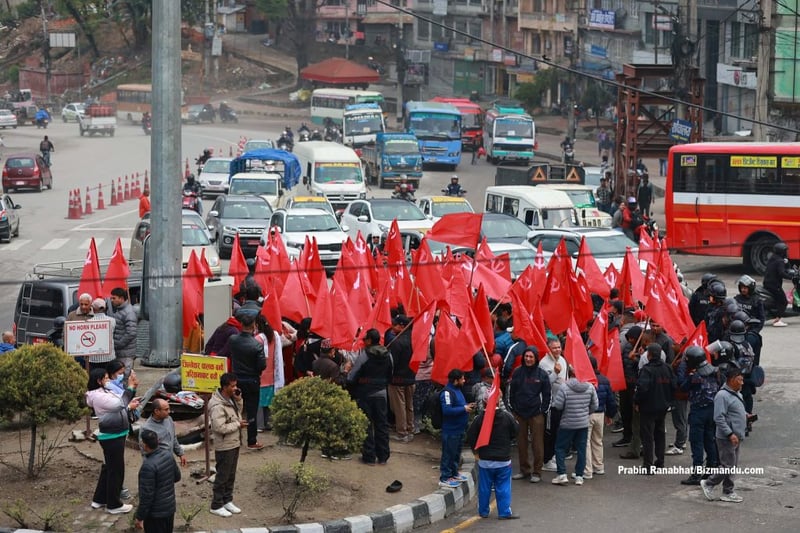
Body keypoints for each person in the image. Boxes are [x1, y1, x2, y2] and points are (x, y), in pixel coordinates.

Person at [85, 367, 140, 514]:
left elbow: (123, 401)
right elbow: (119, 404)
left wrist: (132, 389)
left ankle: (100, 499)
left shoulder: (104, 391)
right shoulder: (98, 396)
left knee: (108, 468)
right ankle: (114, 505)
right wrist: (129, 388)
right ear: (99, 381)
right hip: (112, 435)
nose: (109, 381)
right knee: (116, 470)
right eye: (106, 378)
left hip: (117, 433)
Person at [466, 390, 520, 520]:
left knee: (484, 487)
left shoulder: (479, 419)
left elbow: (471, 435)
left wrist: (476, 451)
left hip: (485, 460)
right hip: (503, 460)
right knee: (503, 486)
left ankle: (483, 511)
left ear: (484, 402)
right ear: (497, 400)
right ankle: (504, 512)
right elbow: (516, 431)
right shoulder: (507, 417)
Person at [701, 365, 751, 503]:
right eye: (739, 380)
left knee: (732, 465)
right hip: (726, 438)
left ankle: (728, 491)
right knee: (727, 465)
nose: (742, 383)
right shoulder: (722, 396)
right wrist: (730, 434)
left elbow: (735, 411)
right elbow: (719, 418)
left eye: (742, 380)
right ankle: (709, 483)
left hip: (736, 436)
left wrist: (746, 415)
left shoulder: (737, 393)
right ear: (731, 379)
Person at [347, 328, 393, 465]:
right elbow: (390, 374)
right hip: (382, 394)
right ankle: (383, 456)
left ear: (369, 340)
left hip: (365, 394)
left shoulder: (365, 355)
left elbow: (352, 375)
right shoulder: (388, 355)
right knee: (382, 425)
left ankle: (369, 457)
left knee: (366, 424)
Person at [223, 311, 266, 450]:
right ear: (254, 325)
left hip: (236, 380)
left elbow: (227, 353)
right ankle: (252, 440)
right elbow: (262, 365)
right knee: (252, 410)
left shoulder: (233, 340)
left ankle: (235, 437)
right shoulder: (257, 345)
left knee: (235, 409)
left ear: (241, 324)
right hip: (252, 380)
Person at [508, 346, 551, 484]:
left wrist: (542, 410)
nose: (528, 359)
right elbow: (511, 392)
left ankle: (537, 472)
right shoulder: (517, 372)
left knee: (537, 445)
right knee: (521, 443)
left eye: (531, 356)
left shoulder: (542, 374)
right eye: (526, 356)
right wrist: (513, 409)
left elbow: (547, 395)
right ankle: (524, 470)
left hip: (536, 414)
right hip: (519, 413)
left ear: (536, 358)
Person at [678, 346, 720, 486]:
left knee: (697, 443)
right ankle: (712, 469)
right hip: (712, 411)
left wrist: (683, 367)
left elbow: (682, 386)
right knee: (710, 440)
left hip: (698, 412)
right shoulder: (715, 371)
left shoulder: (694, 377)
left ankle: (696, 474)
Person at [551, 365, 598, 486]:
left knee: (560, 448)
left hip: (567, 423)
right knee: (581, 449)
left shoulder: (564, 387)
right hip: (582, 423)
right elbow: (595, 406)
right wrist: (586, 413)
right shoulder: (590, 386)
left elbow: (559, 406)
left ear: (570, 373)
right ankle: (579, 476)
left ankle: (562, 474)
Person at [208, 373, 247, 518]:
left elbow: (238, 413)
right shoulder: (217, 405)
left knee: (231, 475)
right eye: (232, 386)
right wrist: (238, 424)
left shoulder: (230, 399)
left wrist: (239, 400)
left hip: (234, 442)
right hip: (224, 445)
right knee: (222, 476)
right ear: (225, 387)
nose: (235, 388)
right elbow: (219, 427)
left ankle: (227, 500)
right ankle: (216, 505)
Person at [635, 343, 677, 473]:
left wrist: (636, 401)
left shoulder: (646, 370)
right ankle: (660, 461)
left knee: (647, 436)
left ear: (649, 355)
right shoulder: (668, 369)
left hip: (648, 407)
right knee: (660, 434)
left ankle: (648, 465)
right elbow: (674, 385)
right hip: (663, 407)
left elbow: (642, 388)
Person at [135, 429, 181, 533]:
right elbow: (177, 477)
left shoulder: (148, 466)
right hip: (169, 509)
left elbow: (146, 496)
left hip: (155, 514)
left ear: (145, 445)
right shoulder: (168, 455)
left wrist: (140, 517)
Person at [439, 369, 474, 488]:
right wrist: (463, 409)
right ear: (455, 380)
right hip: (450, 430)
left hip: (459, 429)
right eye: (462, 379)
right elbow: (447, 410)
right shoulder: (447, 393)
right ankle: (445, 477)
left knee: (456, 453)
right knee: (448, 454)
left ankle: (454, 473)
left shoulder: (458, 390)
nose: (464, 381)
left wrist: (466, 407)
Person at [585, 355, 617, 479]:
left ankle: (587, 469)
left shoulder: (585, 380)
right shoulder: (605, 380)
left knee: (586, 442)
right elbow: (611, 400)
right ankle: (598, 466)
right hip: (600, 414)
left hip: (587, 414)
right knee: (598, 441)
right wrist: (610, 414)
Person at [540, 338, 567, 472]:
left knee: (559, 431)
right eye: (554, 348)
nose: (557, 350)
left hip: (562, 403)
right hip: (550, 404)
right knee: (549, 433)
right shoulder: (543, 364)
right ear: (548, 349)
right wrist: (555, 373)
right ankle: (547, 460)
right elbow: (544, 384)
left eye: (559, 347)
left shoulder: (562, 360)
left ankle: (555, 455)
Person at [254, 314, 284, 432]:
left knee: (259, 402)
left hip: (261, 374)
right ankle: (269, 423)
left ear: (256, 325)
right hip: (272, 374)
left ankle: (260, 425)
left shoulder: (258, 339)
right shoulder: (274, 336)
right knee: (269, 400)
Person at [140, 398, 186, 467]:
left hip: (169, 462)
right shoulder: (146, 429)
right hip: (157, 466)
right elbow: (145, 452)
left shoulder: (169, 419)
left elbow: (173, 438)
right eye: (166, 409)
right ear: (157, 411)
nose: (169, 411)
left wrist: (180, 453)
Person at [763, 241, 796, 327]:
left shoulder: (773, 258)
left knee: (777, 299)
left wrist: (786, 262)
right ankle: (777, 320)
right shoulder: (779, 261)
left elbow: (785, 267)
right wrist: (791, 277)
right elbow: (782, 273)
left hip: (767, 283)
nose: (786, 252)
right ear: (782, 252)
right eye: (785, 251)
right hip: (774, 285)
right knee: (783, 301)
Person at [109, 287, 138, 369]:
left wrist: (118, 344)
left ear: (121, 298)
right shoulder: (120, 310)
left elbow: (131, 333)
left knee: (125, 376)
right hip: (121, 352)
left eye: (114, 298)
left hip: (126, 353)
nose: (112, 300)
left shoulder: (129, 312)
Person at [88, 297, 116, 368]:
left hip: (93, 358)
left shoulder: (88, 323)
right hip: (109, 356)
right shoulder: (112, 321)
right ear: (105, 308)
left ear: (93, 309)